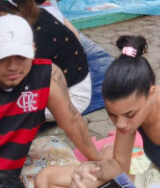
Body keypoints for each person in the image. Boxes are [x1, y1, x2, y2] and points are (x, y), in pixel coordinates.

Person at [37, 35, 160, 188]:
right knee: (47, 178)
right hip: (153, 177)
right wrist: (91, 170)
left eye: (129, 115)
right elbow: (119, 164)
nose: (120, 123)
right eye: (112, 114)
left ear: (151, 94)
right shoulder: (130, 108)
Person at [0, 14, 101, 177]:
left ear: (33, 50)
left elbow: (72, 121)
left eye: (20, 56)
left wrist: (98, 162)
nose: (12, 66)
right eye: (3, 57)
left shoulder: (46, 76)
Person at [1, 0, 92, 119]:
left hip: (72, 98)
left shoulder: (39, 35)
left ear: (19, 12)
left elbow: (18, 78)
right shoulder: (35, 15)